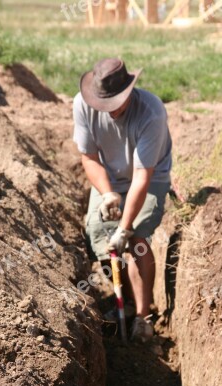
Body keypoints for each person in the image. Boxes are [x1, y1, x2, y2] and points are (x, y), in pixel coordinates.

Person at [73, 57, 172, 342]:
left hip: (150, 179)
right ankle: (126, 300)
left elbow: (142, 178)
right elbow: (89, 158)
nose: (110, 111)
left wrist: (125, 228)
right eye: (104, 105)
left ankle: (144, 316)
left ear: (129, 92)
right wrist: (107, 193)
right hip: (111, 180)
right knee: (99, 235)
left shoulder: (150, 113)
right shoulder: (82, 105)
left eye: (116, 103)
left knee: (137, 241)